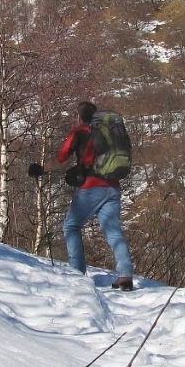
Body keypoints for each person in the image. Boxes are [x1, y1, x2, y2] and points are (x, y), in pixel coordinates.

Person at [30, 101, 134, 290]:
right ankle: (126, 275)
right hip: (113, 186)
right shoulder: (106, 132)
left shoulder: (79, 132)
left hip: (91, 188)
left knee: (71, 226)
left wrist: (41, 169)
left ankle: (77, 274)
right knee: (113, 232)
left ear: (78, 117)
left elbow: (61, 158)